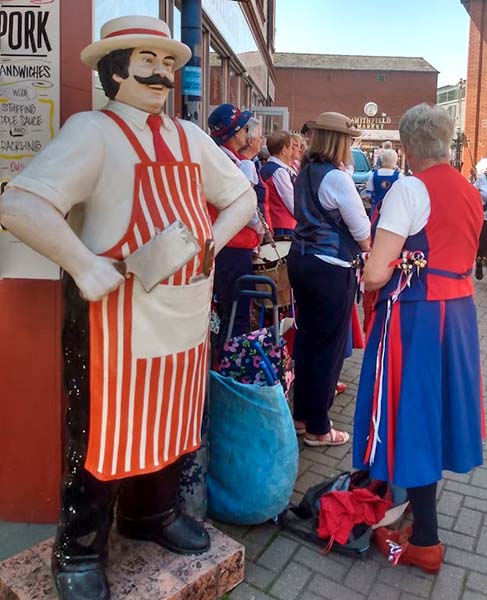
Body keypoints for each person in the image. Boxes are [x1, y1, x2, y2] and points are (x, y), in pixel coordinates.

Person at [0, 15, 256, 600]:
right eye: (148, 59)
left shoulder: (191, 138)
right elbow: (21, 204)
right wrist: (85, 265)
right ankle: (78, 549)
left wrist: (212, 239)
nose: (162, 73)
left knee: (170, 421)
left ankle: (153, 516)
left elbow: (240, 194)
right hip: (114, 319)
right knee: (101, 433)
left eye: (169, 62)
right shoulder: (92, 132)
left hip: (184, 313)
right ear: (113, 69)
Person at [353, 103, 484, 574]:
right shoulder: (471, 191)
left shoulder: (410, 188)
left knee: (413, 418)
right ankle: (413, 509)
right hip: (461, 313)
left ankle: (426, 540)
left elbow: (373, 274)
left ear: (407, 149)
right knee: (435, 415)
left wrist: (380, 270)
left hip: (417, 317)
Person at [288, 112, 371, 447]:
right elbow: (362, 230)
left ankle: (301, 416)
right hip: (330, 267)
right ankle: (319, 427)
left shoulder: (305, 172)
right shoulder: (337, 178)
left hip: (301, 259)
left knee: (308, 341)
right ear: (342, 142)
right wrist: (369, 250)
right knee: (328, 349)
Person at [207, 104, 264, 345]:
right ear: (236, 133)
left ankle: (220, 362)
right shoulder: (235, 164)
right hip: (234, 246)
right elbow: (246, 208)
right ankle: (233, 369)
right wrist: (261, 230)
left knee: (222, 310)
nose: (246, 134)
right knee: (237, 313)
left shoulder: (213, 158)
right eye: (243, 129)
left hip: (219, 244)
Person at [260, 130, 296, 236]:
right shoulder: (279, 172)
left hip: (278, 223)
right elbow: (291, 202)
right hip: (283, 225)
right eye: (291, 147)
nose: (292, 150)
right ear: (284, 150)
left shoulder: (268, 168)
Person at [364, 148, 403, 218]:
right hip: (393, 210)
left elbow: (368, 194)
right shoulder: (399, 176)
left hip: (376, 209)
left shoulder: (373, 175)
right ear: (395, 160)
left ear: (382, 160)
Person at [474, 157, 487, 279]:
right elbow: (472, 191)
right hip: (484, 217)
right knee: (482, 243)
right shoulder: (481, 180)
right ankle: (478, 262)